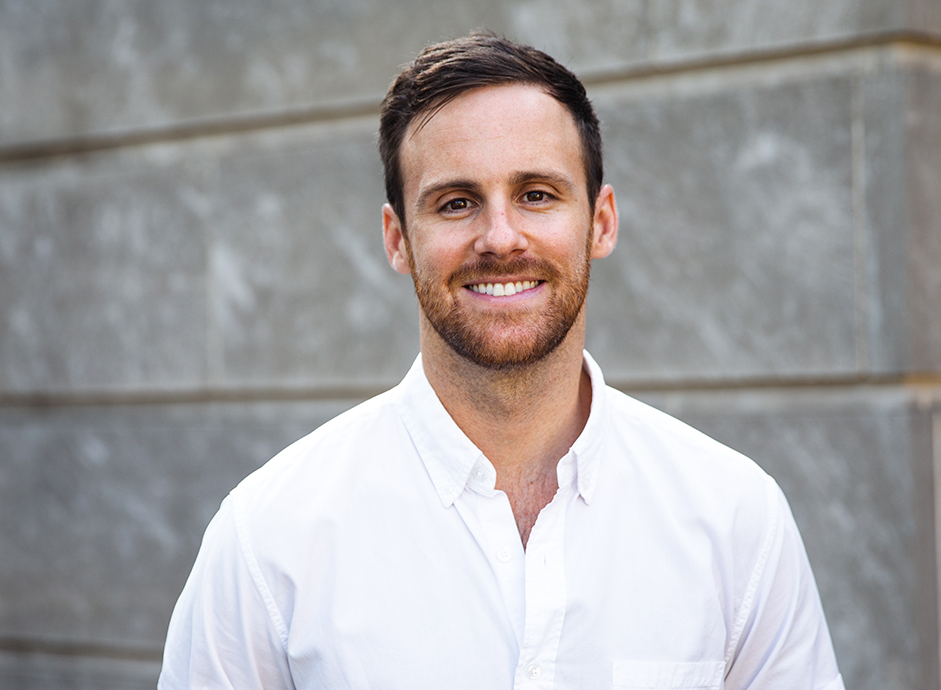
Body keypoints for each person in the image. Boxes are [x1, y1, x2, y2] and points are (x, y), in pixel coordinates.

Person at [158, 32, 844, 690]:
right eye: (456, 203)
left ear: (600, 222)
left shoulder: (734, 518)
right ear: (397, 240)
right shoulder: (270, 537)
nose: (500, 237)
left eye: (537, 194)